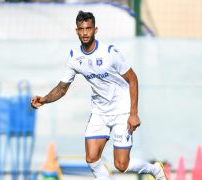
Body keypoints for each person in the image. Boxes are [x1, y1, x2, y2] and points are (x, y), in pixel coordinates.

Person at [31, 10, 166, 180]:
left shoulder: (109, 53)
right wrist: (44, 99)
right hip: (99, 112)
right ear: (77, 31)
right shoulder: (74, 57)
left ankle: (154, 170)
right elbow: (62, 88)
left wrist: (133, 113)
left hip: (121, 110)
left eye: (88, 28)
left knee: (121, 165)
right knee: (91, 158)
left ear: (95, 30)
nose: (85, 33)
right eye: (81, 29)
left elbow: (133, 79)